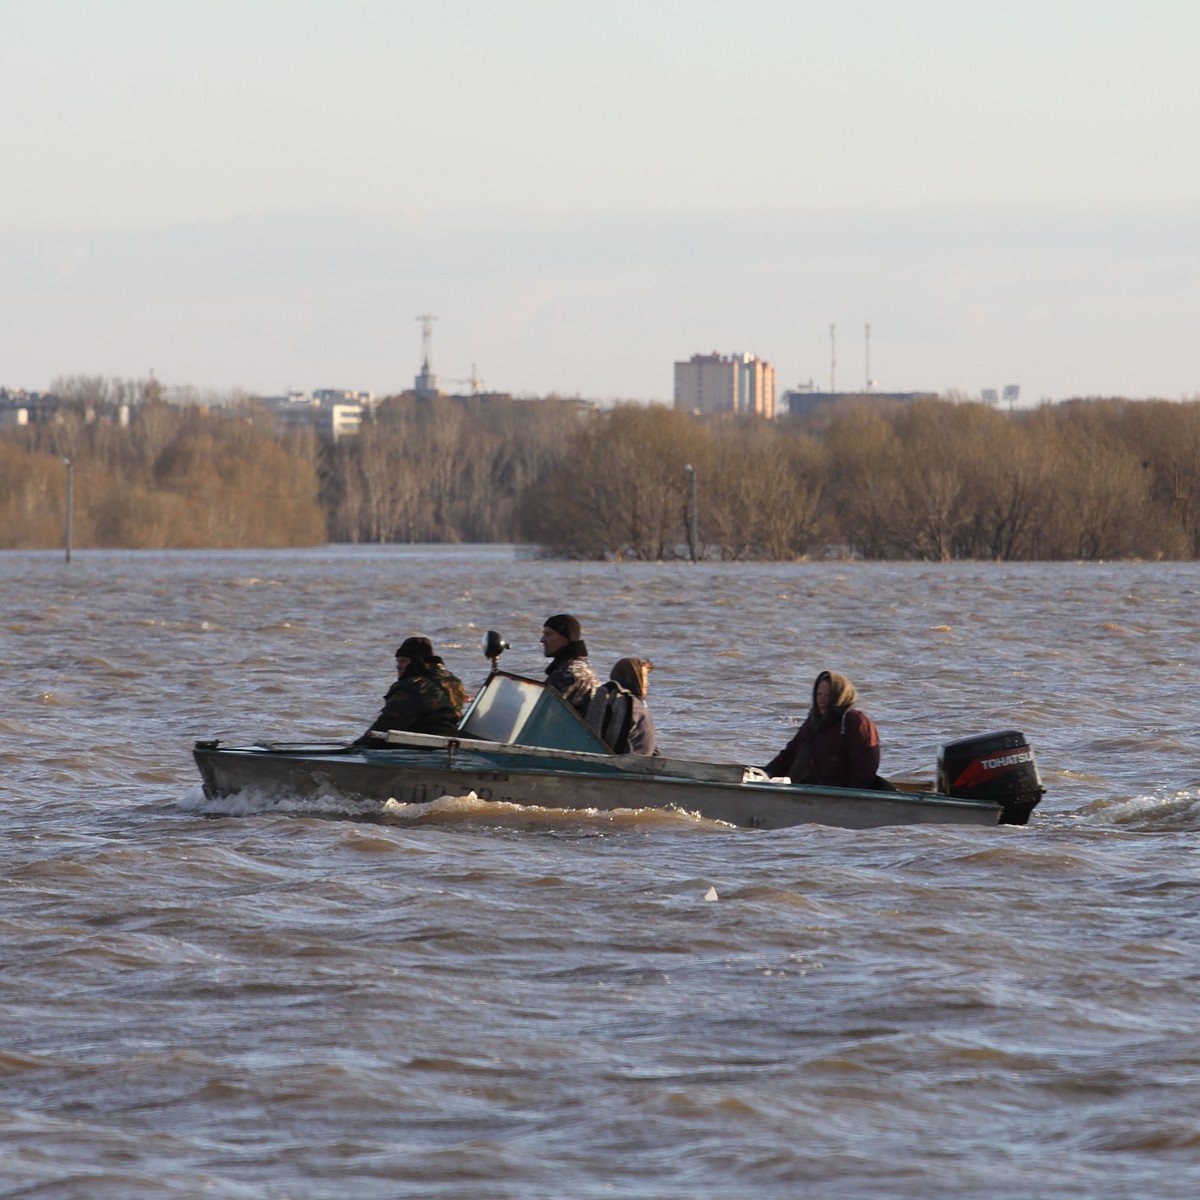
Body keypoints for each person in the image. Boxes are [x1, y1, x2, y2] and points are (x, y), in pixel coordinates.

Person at [764, 669, 886, 789]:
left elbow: (866, 765)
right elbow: (789, 753)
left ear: (839, 696)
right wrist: (767, 773)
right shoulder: (813, 721)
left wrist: (850, 793)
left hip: (838, 793)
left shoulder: (856, 722)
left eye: (827, 696)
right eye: (818, 695)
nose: (821, 701)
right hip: (806, 788)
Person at [358, 636, 468, 741]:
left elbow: (389, 724)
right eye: (398, 661)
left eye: (404, 661)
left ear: (417, 661)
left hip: (418, 745)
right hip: (448, 742)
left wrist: (358, 745)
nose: (398, 666)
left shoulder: (414, 686)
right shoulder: (453, 682)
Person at [539, 613, 598, 715]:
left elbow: (543, 710)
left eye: (548, 634)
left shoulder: (568, 671)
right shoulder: (584, 666)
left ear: (566, 638)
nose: (542, 640)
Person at [603, 657, 661, 756]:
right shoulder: (626, 702)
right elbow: (616, 739)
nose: (647, 683)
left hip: (645, 762)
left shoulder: (640, 703)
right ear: (633, 677)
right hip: (632, 761)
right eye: (644, 677)